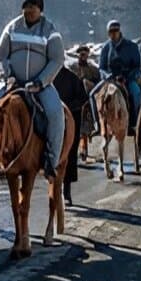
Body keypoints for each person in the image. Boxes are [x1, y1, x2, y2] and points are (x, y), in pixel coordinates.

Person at [0, 0, 66, 180]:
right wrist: (9, 76)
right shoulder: (12, 28)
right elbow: (1, 55)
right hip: (14, 84)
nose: (29, 10)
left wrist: (41, 82)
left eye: (34, 6)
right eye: (26, 5)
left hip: (39, 86)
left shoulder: (49, 30)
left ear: (40, 8)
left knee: (56, 114)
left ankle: (51, 161)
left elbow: (57, 59)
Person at [96, 20, 141, 133]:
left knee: (135, 93)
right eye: (110, 32)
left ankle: (133, 122)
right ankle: (98, 124)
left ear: (119, 31)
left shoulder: (131, 46)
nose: (113, 34)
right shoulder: (105, 48)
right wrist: (108, 76)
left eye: (115, 31)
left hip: (127, 78)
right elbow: (101, 67)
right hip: (110, 79)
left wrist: (128, 76)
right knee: (93, 94)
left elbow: (137, 66)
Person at [52, 65, 88, 206]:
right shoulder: (46, 77)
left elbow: (83, 97)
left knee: (69, 155)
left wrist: (68, 107)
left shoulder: (72, 78)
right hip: (52, 121)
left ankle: (66, 191)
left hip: (69, 120)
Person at [68, 44, 101, 153]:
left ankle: (84, 148)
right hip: (73, 99)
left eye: (85, 54)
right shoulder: (72, 68)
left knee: (85, 123)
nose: (83, 56)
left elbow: (98, 83)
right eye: (81, 54)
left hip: (87, 100)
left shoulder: (92, 69)